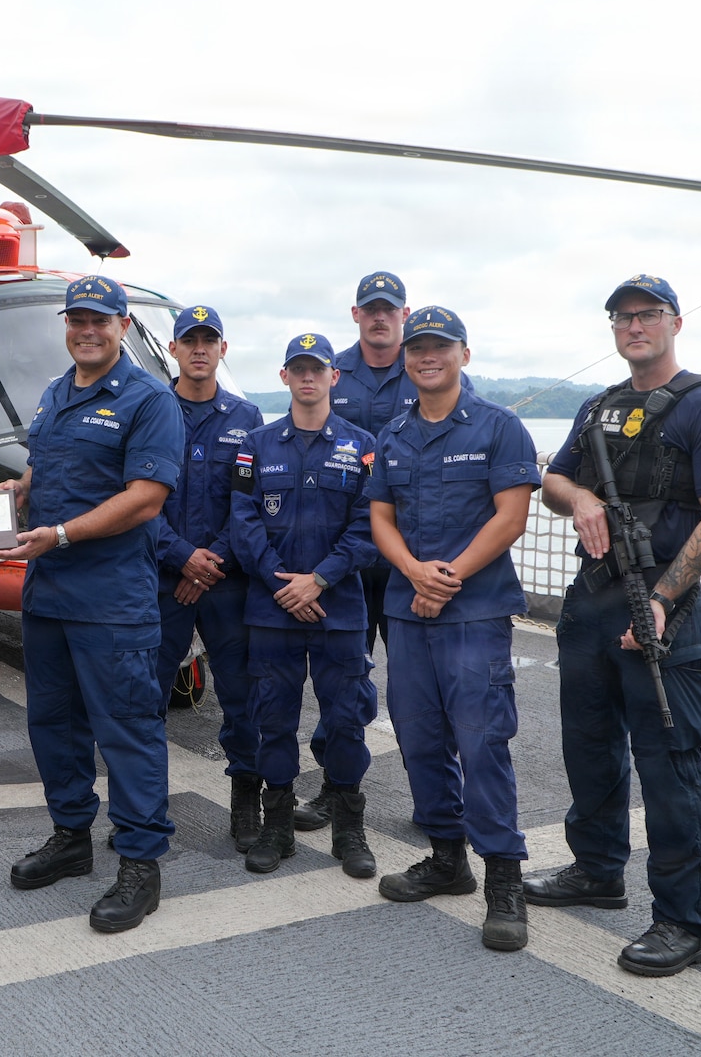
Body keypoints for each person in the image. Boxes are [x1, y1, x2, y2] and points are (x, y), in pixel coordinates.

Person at [531, 275, 701, 977]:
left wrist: (659, 598)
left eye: (647, 314)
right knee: (588, 748)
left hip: (665, 609)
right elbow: (554, 483)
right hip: (591, 603)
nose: (634, 326)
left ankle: (685, 920)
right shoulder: (598, 408)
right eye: (622, 317)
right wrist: (584, 500)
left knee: (668, 766)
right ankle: (596, 870)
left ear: (674, 321)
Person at [0, 277, 183, 934]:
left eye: (100, 320)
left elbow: (146, 498)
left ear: (123, 326)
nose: (88, 330)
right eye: (77, 319)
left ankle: (139, 863)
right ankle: (71, 836)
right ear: (66, 325)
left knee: (127, 730)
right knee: (53, 723)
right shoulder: (54, 393)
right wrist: (16, 494)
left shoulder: (149, 400)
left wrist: (63, 533)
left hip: (111, 600)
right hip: (48, 595)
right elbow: (48, 469)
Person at [366, 305, 540, 953]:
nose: (426, 357)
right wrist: (414, 571)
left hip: (475, 612)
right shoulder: (393, 433)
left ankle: (504, 881)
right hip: (410, 612)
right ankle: (447, 858)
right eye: (417, 348)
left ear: (463, 354)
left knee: (482, 741)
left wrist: (448, 577)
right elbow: (380, 515)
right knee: (418, 735)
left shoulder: (500, 428)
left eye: (439, 346)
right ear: (406, 359)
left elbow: (511, 516)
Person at [296, 270, 473, 833]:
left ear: (403, 314)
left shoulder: (430, 369)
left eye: (389, 309)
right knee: (342, 681)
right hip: (346, 560)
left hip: (407, 562)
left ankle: (438, 800)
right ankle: (335, 786)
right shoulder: (330, 373)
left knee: (424, 686)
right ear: (355, 315)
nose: (379, 317)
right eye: (370, 309)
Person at [229, 333, 379, 876]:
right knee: (273, 718)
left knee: (345, 721)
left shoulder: (363, 446)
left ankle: (349, 827)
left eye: (318, 369)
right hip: (272, 609)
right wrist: (281, 584)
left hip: (338, 608)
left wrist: (318, 580)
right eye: (299, 369)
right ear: (285, 377)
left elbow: (371, 525)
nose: (308, 378)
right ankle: (277, 826)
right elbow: (242, 522)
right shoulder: (255, 445)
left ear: (334, 378)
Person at [151, 305, 266, 853]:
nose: (199, 348)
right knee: (145, 696)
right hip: (162, 579)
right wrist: (180, 556)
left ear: (224, 349)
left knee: (243, 696)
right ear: (172, 349)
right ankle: (143, 805)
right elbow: (136, 498)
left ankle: (246, 796)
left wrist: (209, 561)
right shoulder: (149, 411)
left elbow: (252, 505)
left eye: (209, 340)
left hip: (226, 581)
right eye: (188, 339)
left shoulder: (247, 419)